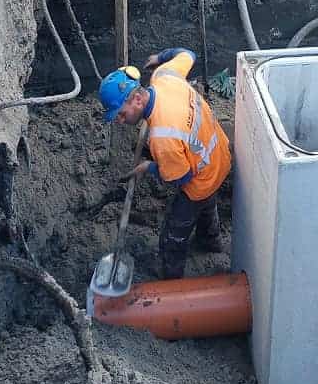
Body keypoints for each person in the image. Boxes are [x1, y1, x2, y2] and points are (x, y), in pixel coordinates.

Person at [98, 48, 231, 279]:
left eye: (120, 114)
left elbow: (182, 178)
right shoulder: (164, 75)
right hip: (219, 154)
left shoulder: (163, 136)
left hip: (201, 176)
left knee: (173, 234)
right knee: (207, 204)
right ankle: (211, 241)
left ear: (137, 99)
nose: (119, 121)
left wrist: (148, 166)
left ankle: (172, 282)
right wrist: (159, 58)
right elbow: (188, 54)